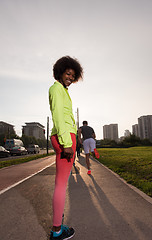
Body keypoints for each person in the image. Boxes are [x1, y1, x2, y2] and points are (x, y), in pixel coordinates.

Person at [49, 56, 83, 240]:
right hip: (64, 138)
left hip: (67, 136)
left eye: (73, 75)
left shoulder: (63, 90)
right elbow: (58, 117)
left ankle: (58, 224)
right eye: (67, 73)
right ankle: (56, 231)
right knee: (61, 184)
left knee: (61, 183)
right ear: (60, 72)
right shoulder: (56, 88)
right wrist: (67, 142)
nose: (70, 77)